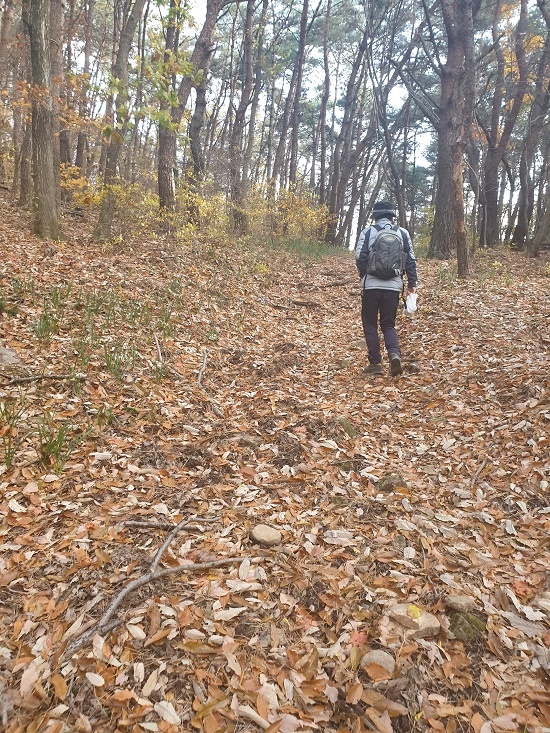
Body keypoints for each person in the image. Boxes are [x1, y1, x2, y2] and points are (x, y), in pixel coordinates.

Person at [354, 200, 418, 376]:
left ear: (375, 216)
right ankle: (394, 355)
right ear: (391, 216)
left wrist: (364, 276)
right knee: (388, 324)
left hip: (371, 287)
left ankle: (375, 364)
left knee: (370, 324)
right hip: (393, 287)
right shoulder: (402, 233)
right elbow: (411, 260)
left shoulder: (368, 232)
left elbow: (360, 257)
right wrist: (412, 284)